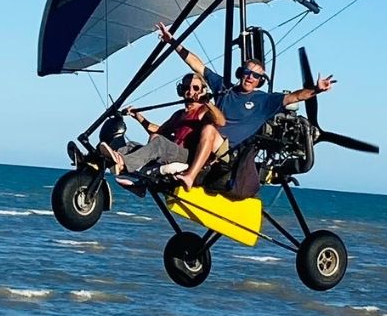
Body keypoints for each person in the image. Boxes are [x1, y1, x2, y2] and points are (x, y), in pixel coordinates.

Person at [156, 22, 335, 190]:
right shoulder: (224, 88)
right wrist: (172, 41)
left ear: (259, 81)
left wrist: (316, 89)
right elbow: (197, 65)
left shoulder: (264, 101)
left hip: (226, 154)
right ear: (240, 73)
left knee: (210, 129)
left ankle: (190, 176)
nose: (250, 77)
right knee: (174, 136)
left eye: (255, 76)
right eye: (247, 73)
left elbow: (295, 96)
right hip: (202, 143)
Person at [98, 73, 225, 178]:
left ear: (203, 91)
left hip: (187, 155)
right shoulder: (179, 115)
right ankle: (104, 159)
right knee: (133, 146)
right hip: (172, 151)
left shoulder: (204, 111)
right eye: (186, 87)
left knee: (159, 143)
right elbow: (159, 131)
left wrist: (207, 102)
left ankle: (123, 163)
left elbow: (220, 121)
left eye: (195, 88)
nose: (190, 91)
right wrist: (138, 117)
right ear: (181, 90)